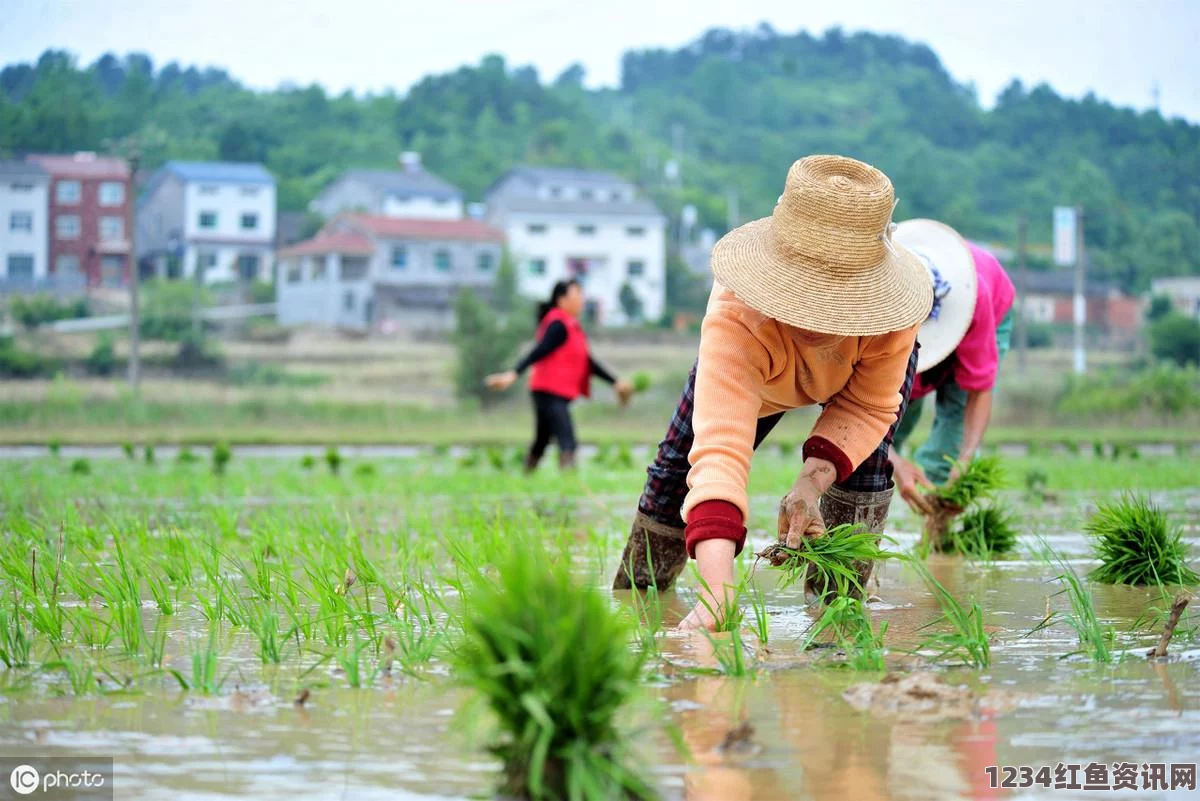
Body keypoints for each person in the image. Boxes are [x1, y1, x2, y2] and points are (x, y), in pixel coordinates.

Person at [611, 154, 934, 631]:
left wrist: (809, 485)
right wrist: (717, 598)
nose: (817, 321)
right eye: (806, 301)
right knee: (673, 479)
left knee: (861, 494)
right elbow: (719, 458)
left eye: (835, 304)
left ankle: (837, 625)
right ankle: (641, 599)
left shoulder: (893, 316)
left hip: (856, 390)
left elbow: (867, 409)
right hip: (758, 381)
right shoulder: (737, 316)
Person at [886, 220, 1016, 514]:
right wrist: (892, 460)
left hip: (987, 311)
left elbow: (979, 392)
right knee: (893, 416)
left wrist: (966, 457)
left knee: (953, 430)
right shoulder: (876, 307)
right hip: (895, 344)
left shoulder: (975, 301)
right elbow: (858, 409)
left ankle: (940, 529)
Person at [486, 279, 634, 471]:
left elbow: (588, 363)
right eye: (577, 295)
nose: (581, 300)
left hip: (549, 391)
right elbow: (538, 351)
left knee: (542, 439)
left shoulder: (570, 326)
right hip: (548, 391)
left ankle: (526, 474)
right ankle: (569, 479)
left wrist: (615, 382)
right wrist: (513, 374)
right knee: (567, 437)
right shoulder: (558, 325)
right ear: (562, 300)